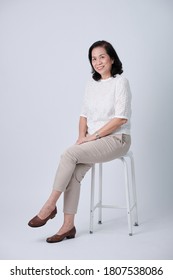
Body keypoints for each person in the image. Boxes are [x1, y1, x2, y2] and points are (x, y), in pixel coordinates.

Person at [28, 40, 132, 243]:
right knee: (74, 171)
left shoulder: (121, 82)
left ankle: (49, 206)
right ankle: (68, 226)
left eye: (102, 56)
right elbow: (83, 115)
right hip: (94, 142)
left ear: (111, 58)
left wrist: (92, 137)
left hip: (117, 139)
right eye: (94, 59)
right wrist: (81, 138)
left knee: (69, 154)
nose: (98, 62)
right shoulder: (91, 84)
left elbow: (120, 118)